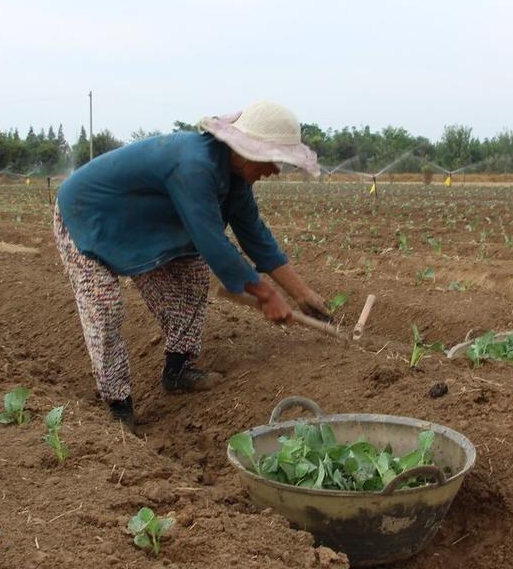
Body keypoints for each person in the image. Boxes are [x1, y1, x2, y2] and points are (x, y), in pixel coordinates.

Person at [53, 101, 330, 429]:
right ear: (246, 150)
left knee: (192, 276)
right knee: (104, 307)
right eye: (272, 159)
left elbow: (255, 235)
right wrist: (266, 295)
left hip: (142, 226)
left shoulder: (235, 176)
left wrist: (302, 293)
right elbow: (212, 241)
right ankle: (118, 407)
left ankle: (178, 370)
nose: (274, 171)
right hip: (88, 215)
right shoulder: (194, 164)